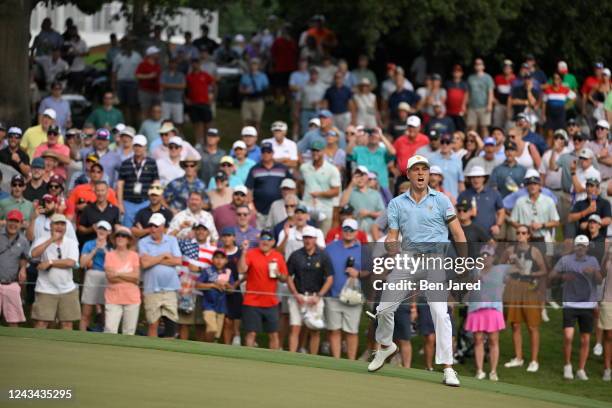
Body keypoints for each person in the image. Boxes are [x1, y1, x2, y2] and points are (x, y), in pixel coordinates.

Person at [369, 154, 466, 388]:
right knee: (384, 309)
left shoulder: (442, 200)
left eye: (425, 169)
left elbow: (458, 233)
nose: (421, 173)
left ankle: (448, 368)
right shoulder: (396, 204)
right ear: (409, 174)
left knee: (440, 313)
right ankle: (385, 346)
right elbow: (392, 236)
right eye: (416, 169)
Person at [551, 235, 603, 380]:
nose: (580, 248)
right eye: (578, 245)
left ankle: (581, 369)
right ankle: (567, 365)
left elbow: (599, 281)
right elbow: (552, 275)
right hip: (570, 303)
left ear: (587, 247)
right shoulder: (566, 260)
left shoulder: (593, 261)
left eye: (583, 245)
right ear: (575, 246)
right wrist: (562, 277)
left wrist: (594, 272)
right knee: (568, 337)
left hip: (587, 304)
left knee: (585, 339)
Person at [501, 225, 547, 373]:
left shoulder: (534, 251)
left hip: (529, 288)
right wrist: (508, 269)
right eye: (518, 233)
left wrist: (531, 274)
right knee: (515, 324)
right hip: (513, 287)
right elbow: (500, 267)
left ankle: (534, 360)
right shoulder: (510, 251)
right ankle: (518, 357)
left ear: (528, 235)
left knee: (532, 326)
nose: (520, 235)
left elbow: (544, 270)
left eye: (523, 233)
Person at [286, 226, 334, 353]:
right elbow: (288, 276)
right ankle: (290, 358)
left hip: (315, 298)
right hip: (298, 297)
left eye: (310, 238)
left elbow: (329, 278)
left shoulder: (323, 256)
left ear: (315, 239)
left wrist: (319, 296)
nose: (308, 240)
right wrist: (295, 294)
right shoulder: (295, 255)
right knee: (295, 328)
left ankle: (313, 359)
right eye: (305, 237)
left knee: (315, 330)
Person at [238, 230, 288, 349]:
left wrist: (279, 274)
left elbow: (284, 278)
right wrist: (244, 251)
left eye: (268, 239)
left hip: (270, 302)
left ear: (273, 242)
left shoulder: (278, 257)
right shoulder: (250, 253)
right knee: (251, 333)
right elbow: (241, 270)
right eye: (262, 239)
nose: (264, 242)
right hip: (251, 301)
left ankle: (273, 363)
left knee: (274, 334)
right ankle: (248, 361)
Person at [30, 213, 80, 329]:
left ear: (66, 227)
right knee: (41, 323)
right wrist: (51, 240)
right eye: (57, 223)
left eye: (63, 224)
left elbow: (71, 262)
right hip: (45, 289)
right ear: (51, 225)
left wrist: (50, 262)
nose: (60, 227)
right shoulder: (42, 240)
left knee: (67, 324)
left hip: (67, 289)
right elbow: (33, 254)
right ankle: (37, 347)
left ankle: (66, 348)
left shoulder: (72, 242)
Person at [465, 245, 507, 381]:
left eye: (488, 255)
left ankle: (493, 371)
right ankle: (480, 370)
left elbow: (503, 285)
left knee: (493, 340)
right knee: (478, 340)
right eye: (483, 255)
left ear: (493, 257)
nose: (485, 257)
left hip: (493, 309)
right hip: (477, 309)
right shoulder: (474, 270)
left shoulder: (498, 271)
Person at [138, 213, 183, 337]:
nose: (153, 229)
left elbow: (178, 261)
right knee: (153, 323)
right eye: (151, 226)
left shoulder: (172, 240)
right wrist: (163, 255)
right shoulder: (143, 242)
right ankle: (152, 353)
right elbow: (145, 264)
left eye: (156, 226)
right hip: (151, 287)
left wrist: (153, 259)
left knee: (171, 323)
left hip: (170, 288)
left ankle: (169, 353)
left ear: (163, 227)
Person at [103, 226, 140, 335]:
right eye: (118, 235)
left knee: (129, 332)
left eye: (124, 236)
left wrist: (118, 273)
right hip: (113, 297)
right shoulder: (109, 255)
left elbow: (136, 277)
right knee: (110, 330)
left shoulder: (134, 255)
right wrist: (128, 276)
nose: (120, 238)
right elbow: (110, 277)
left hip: (132, 298)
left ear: (128, 239)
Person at [116, 135, 159, 227]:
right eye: (136, 146)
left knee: (145, 229)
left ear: (145, 147)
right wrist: (120, 204)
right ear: (133, 146)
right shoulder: (125, 163)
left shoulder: (152, 163)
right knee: (127, 231)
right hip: (128, 203)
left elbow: (156, 182)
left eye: (140, 146)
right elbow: (120, 184)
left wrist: (155, 201)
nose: (138, 148)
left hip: (146, 202)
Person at [300, 140, 341, 233]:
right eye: (313, 150)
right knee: (307, 237)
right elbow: (302, 183)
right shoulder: (304, 167)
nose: (315, 153)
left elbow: (336, 191)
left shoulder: (332, 170)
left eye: (318, 150)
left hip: (325, 210)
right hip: (307, 208)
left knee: (322, 240)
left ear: (323, 151)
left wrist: (319, 194)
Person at [79, 220, 112, 331]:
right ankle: (81, 337)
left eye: (104, 229)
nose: (101, 231)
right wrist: (95, 250)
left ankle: (103, 337)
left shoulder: (112, 246)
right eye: (100, 228)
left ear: (109, 232)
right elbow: (82, 263)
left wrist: (104, 250)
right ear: (96, 229)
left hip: (107, 277)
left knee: (106, 312)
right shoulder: (89, 244)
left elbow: (114, 264)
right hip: (92, 276)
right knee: (86, 311)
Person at [195, 248, 234, 342]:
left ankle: (211, 348)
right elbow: (197, 285)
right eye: (216, 257)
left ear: (226, 260)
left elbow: (231, 290)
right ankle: (206, 347)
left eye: (222, 258)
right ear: (212, 259)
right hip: (208, 305)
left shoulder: (227, 272)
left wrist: (226, 283)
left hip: (221, 307)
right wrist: (213, 284)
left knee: (217, 334)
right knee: (212, 329)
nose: (219, 260)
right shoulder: (207, 271)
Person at [0, 210, 29, 327]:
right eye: (11, 220)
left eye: (16, 221)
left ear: (21, 223)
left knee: (13, 321)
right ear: (6, 221)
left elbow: (24, 258)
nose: (13, 224)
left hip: (11, 284)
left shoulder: (23, 241)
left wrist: (23, 269)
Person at [458, 166, 504, 237]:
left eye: (478, 177)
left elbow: (501, 211)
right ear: (470, 179)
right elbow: (457, 213)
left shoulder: (494, 193)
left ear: (484, 178)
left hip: (489, 235)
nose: (476, 180)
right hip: (469, 236)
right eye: (473, 177)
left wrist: (498, 225)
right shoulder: (463, 194)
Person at [340, 165, 384, 233]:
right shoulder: (349, 191)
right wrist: (351, 184)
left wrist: (369, 213)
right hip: (354, 231)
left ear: (367, 177)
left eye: (362, 175)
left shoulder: (375, 194)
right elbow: (342, 205)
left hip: (372, 231)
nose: (360, 178)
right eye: (357, 175)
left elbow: (382, 214)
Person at [186, 58, 216, 146]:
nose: (195, 65)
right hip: (193, 103)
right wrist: (186, 99)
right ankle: (199, 142)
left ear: (199, 64)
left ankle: (208, 142)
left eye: (197, 63)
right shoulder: (189, 76)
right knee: (197, 123)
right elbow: (185, 89)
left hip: (205, 103)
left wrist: (213, 98)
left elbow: (214, 85)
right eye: (193, 63)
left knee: (207, 123)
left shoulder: (205, 75)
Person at [428, 133, 464, 199]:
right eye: (442, 142)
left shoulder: (458, 161)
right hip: (434, 199)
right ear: (439, 143)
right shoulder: (431, 160)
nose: (445, 145)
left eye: (447, 142)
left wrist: (463, 199)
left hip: (453, 200)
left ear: (452, 144)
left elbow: (461, 183)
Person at [466, 58, 494, 137]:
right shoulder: (470, 78)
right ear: (474, 66)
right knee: (472, 127)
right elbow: (468, 93)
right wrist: (464, 105)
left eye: (480, 64)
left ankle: (486, 145)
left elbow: (490, 92)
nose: (478, 66)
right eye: (476, 64)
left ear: (483, 66)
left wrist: (490, 104)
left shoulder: (488, 77)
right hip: (472, 106)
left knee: (484, 127)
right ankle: (471, 146)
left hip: (484, 106)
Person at [239, 58, 269, 129]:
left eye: (255, 64)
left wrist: (259, 93)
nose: (253, 66)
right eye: (252, 64)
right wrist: (245, 91)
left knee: (257, 122)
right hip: (247, 100)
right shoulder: (245, 76)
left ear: (258, 66)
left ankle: (255, 138)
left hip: (258, 101)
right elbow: (240, 89)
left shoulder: (263, 76)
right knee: (246, 121)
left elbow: (266, 89)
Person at [135, 46, 162, 119]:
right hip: (145, 91)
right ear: (151, 54)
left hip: (156, 91)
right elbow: (137, 75)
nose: (158, 54)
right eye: (156, 53)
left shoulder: (157, 65)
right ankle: (144, 128)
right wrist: (149, 76)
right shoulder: (143, 64)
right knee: (145, 111)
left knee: (154, 111)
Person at [160, 58, 186, 127]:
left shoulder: (181, 75)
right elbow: (162, 85)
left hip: (177, 101)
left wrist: (168, 85)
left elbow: (183, 86)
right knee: (165, 121)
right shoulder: (164, 73)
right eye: (171, 63)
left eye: (174, 63)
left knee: (178, 122)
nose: (173, 64)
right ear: (169, 64)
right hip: (166, 101)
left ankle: (177, 136)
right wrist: (176, 86)